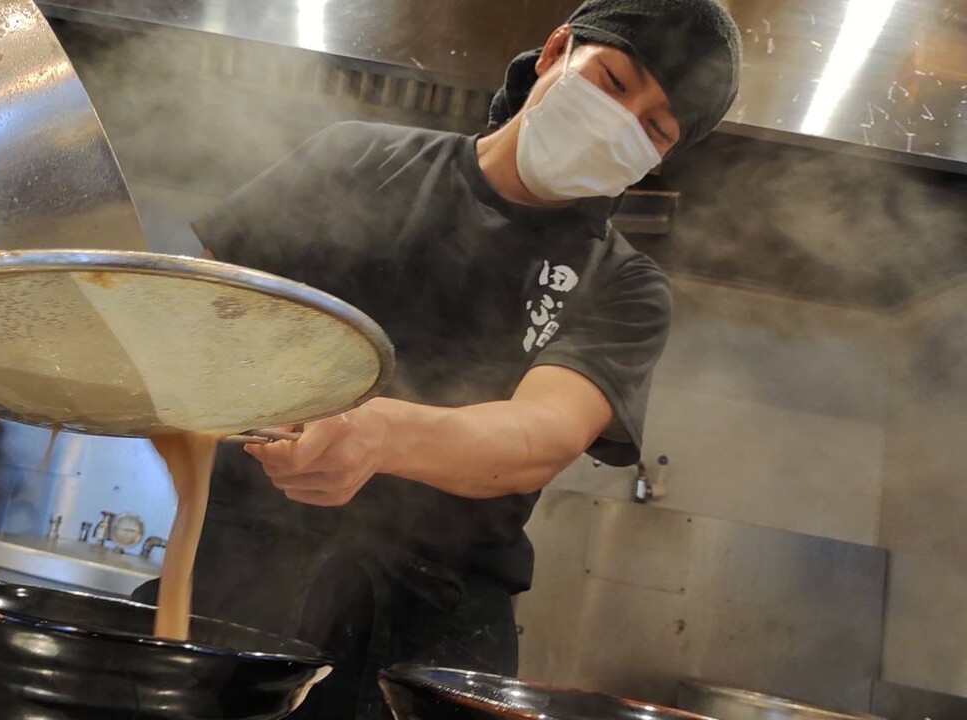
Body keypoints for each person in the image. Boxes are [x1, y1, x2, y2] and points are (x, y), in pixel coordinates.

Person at [137, 1, 740, 717]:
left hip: (429, 638)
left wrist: (378, 434)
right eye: (612, 81)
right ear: (555, 52)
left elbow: (539, 436)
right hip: (233, 581)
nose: (620, 121)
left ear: (660, 158)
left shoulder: (625, 286)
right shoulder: (357, 159)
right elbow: (202, 311)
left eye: (653, 128)